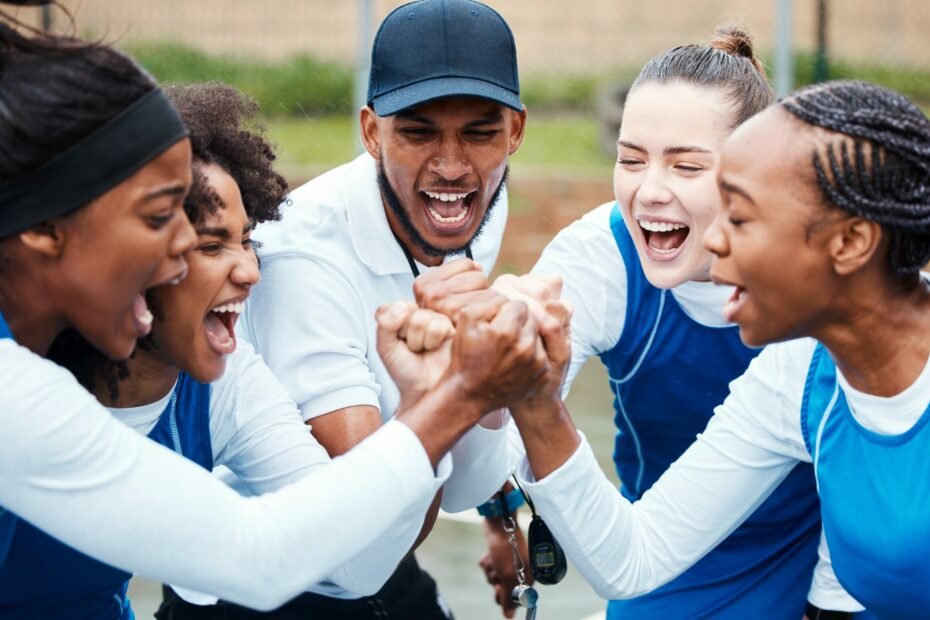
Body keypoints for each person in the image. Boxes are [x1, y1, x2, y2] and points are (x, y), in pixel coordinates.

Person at [0, 4, 550, 613]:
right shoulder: (14, 393)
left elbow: (359, 565)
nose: (249, 268)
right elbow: (259, 557)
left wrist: (432, 407)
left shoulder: (225, 378)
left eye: (234, 238)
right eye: (163, 221)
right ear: (49, 230)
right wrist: (453, 400)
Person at [504, 80, 928, 618]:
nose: (717, 239)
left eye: (743, 217)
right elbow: (635, 556)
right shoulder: (795, 373)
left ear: (850, 243)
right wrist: (536, 401)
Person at [479, 26, 840, 619]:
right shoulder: (599, 259)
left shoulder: (822, 287)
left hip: (821, 570)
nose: (649, 191)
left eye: (687, 166)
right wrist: (499, 505)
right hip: (661, 566)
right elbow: (505, 445)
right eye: (630, 160)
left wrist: (829, 603)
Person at [236, 0, 527, 617]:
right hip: (272, 583)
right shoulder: (299, 264)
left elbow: (463, 487)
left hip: (386, 551)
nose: (452, 166)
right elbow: (359, 545)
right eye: (418, 131)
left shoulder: (475, 206)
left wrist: (501, 509)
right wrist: (455, 388)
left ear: (515, 133)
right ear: (371, 132)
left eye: (480, 132)